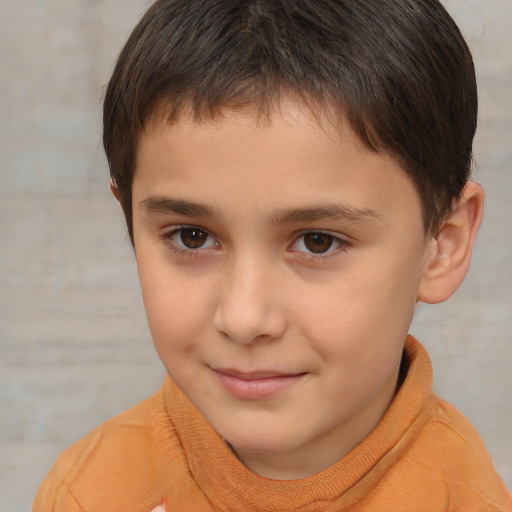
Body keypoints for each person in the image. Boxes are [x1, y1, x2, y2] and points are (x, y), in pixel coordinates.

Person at [33, 0, 512, 510]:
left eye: (318, 241)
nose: (244, 318)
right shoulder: (88, 493)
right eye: (192, 237)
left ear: (443, 244)